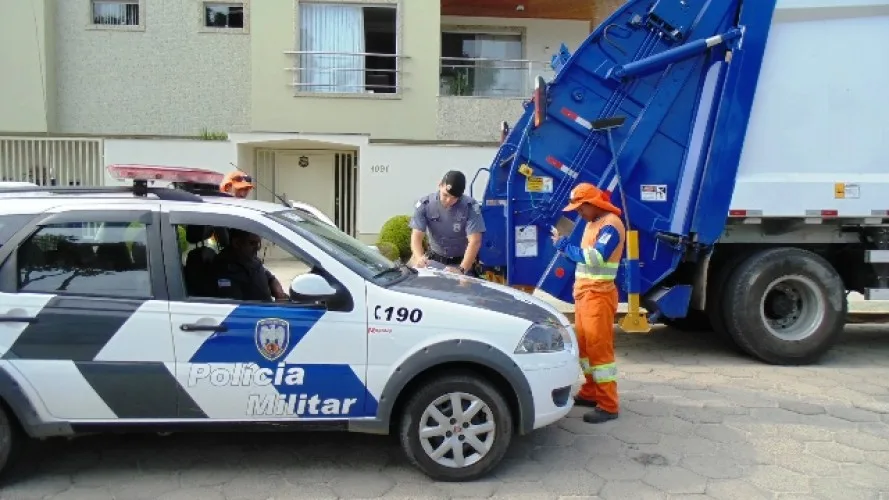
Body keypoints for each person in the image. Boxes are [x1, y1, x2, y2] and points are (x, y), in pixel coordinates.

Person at [551, 183, 626, 424]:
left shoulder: (611, 225)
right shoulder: (594, 223)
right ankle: (592, 391)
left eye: (580, 208)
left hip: (599, 296)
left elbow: (596, 257)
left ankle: (608, 404)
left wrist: (564, 246)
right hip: (587, 295)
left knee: (599, 351)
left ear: (592, 204)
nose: (578, 213)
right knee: (585, 347)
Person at [409, 170, 485, 276]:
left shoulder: (470, 207)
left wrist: (462, 269)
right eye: (445, 195)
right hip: (433, 260)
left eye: (454, 198)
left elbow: (475, 241)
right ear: (440, 185)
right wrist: (419, 258)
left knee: (462, 289)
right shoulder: (425, 205)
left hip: (461, 263)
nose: (449, 200)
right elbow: (416, 237)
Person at [213, 228, 289, 302]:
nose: (257, 248)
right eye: (252, 243)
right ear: (237, 243)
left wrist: (279, 293)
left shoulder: (250, 258)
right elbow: (236, 306)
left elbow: (270, 278)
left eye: (258, 243)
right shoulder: (224, 269)